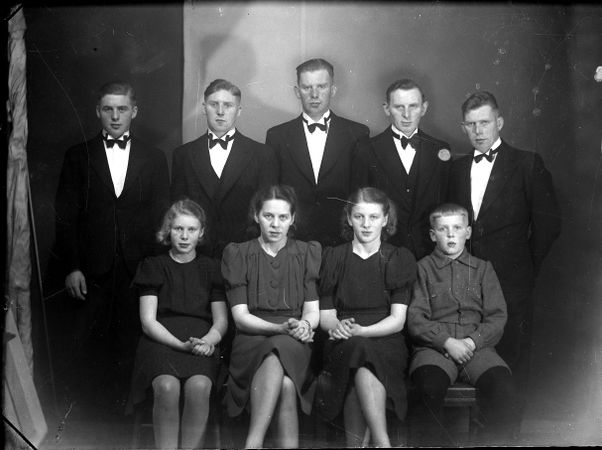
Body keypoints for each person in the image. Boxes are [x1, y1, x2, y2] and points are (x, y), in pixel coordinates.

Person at [54, 80, 170, 414]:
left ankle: (127, 415)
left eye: (122, 109)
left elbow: (161, 217)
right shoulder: (77, 155)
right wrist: (73, 266)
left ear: (134, 111)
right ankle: (90, 417)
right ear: (98, 112)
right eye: (108, 109)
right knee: (89, 340)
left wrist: (155, 271)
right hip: (91, 268)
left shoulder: (154, 157)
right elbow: (66, 217)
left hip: (138, 267)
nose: (115, 116)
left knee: (132, 339)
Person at [447, 91, 561, 396]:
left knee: (513, 356)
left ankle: (508, 426)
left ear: (499, 122)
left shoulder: (527, 163)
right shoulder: (456, 169)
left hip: (512, 280)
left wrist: (524, 267)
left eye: (484, 122)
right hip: (466, 281)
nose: (478, 131)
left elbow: (549, 225)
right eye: (471, 124)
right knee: (474, 357)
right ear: (463, 127)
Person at [408, 203, 519, 446]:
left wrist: (471, 342)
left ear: (467, 232)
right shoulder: (422, 269)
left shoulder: (483, 269)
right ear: (432, 235)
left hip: (477, 348)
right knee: (428, 387)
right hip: (434, 349)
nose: (450, 234)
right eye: (443, 229)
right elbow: (415, 319)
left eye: (457, 228)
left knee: (504, 388)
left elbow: (497, 317)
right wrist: (446, 342)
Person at [221, 185, 320, 449]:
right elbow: (241, 318)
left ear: (293, 219)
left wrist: (304, 325)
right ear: (256, 216)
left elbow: (312, 311)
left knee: (280, 349)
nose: (275, 224)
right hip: (251, 338)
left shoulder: (306, 253)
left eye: (283, 217)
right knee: (285, 385)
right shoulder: (238, 253)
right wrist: (280, 330)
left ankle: (252, 443)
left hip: (294, 338)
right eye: (268, 216)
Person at [316, 187, 417, 448]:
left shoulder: (397, 258)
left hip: (386, 341)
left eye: (374, 217)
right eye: (359, 217)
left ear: (385, 219)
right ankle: (382, 443)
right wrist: (337, 327)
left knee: (360, 360)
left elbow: (397, 320)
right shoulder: (334, 257)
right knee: (357, 352)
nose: (366, 224)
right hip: (342, 339)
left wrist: (361, 332)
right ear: (349, 219)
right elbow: (326, 316)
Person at [128, 199, 228, 449]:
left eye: (191, 229)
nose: (184, 236)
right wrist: (179, 345)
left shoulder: (211, 268)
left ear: (201, 232)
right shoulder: (154, 266)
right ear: (168, 230)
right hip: (161, 340)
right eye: (178, 229)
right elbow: (148, 322)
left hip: (201, 341)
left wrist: (208, 342)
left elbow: (221, 321)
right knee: (166, 386)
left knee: (199, 386)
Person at [266, 58, 369, 247]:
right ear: (297, 91)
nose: (314, 94)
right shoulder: (277, 136)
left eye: (321, 86)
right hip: (292, 240)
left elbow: (361, 194)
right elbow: (273, 195)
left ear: (333, 90)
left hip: (342, 239)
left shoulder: (358, 133)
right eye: (307, 87)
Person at [171, 78, 277, 258]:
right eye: (214, 104)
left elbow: (267, 211)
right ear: (204, 108)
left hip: (246, 255)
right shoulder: (183, 155)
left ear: (239, 110)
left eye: (228, 105)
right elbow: (178, 210)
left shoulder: (262, 154)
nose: (220, 112)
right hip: (197, 255)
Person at [352, 79, 451, 260]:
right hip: (382, 254)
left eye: (413, 106)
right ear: (386, 108)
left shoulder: (441, 150)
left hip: (431, 255)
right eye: (399, 107)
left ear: (424, 108)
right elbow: (359, 207)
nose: (407, 115)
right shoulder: (366, 150)